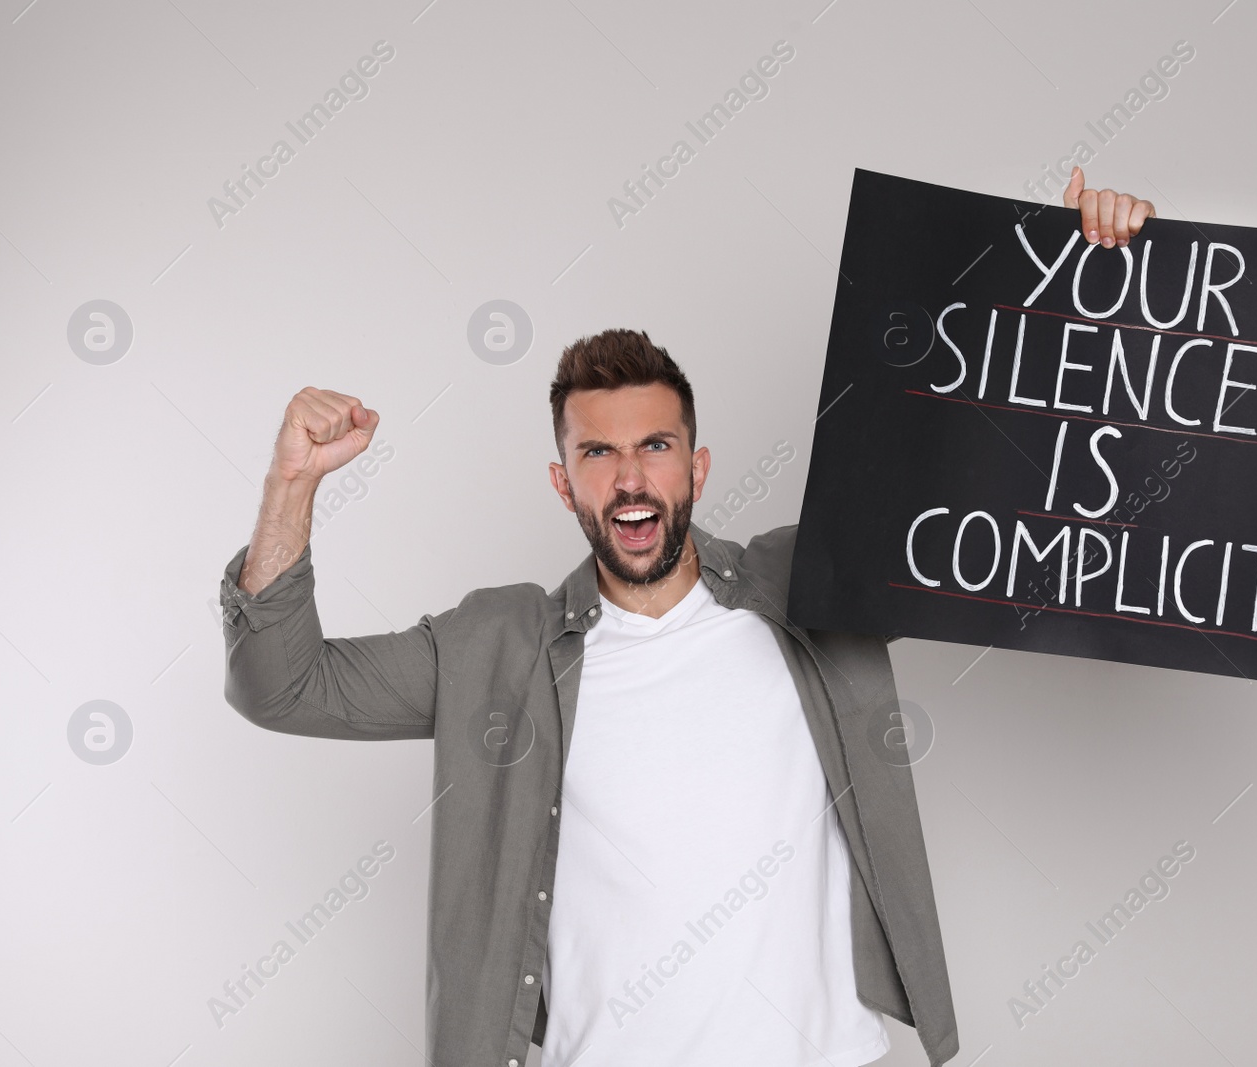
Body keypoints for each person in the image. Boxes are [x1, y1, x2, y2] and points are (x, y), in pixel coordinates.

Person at [219, 171, 1155, 1066]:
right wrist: (291, 481)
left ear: (697, 469)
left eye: (656, 446)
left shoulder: (811, 580)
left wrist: (1074, 278)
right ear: (564, 482)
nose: (630, 477)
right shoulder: (498, 646)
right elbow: (282, 685)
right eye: (599, 453)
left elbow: (1009, 504)